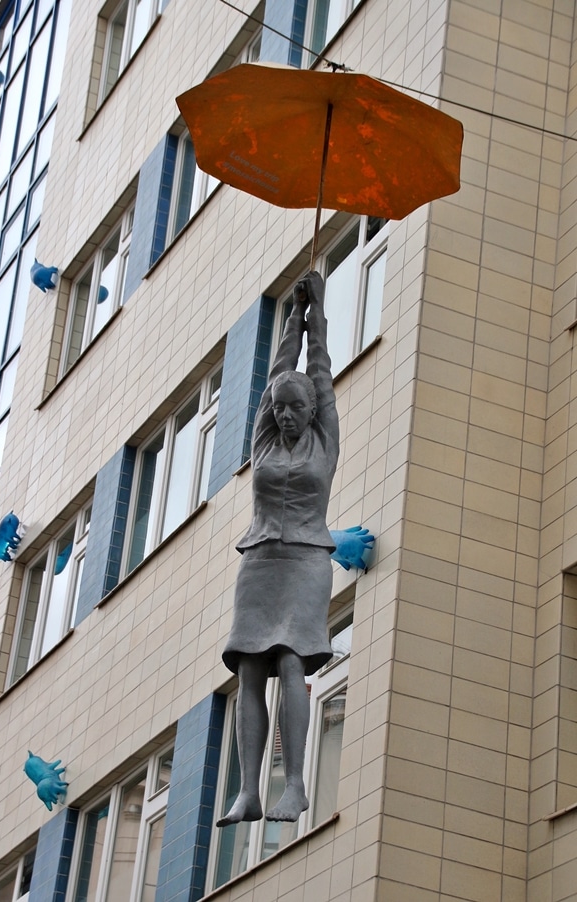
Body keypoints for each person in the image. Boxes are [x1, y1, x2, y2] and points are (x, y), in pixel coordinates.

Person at [218, 270, 339, 826]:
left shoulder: (323, 437)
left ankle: (294, 785)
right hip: (261, 558)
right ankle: (248, 791)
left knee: (292, 660)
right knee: (247, 668)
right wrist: (290, 318)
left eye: (296, 408)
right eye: (280, 408)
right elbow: (277, 373)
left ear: (312, 411)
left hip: (308, 558)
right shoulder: (265, 438)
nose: (286, 415)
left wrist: (316, 315)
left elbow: (319, 372)